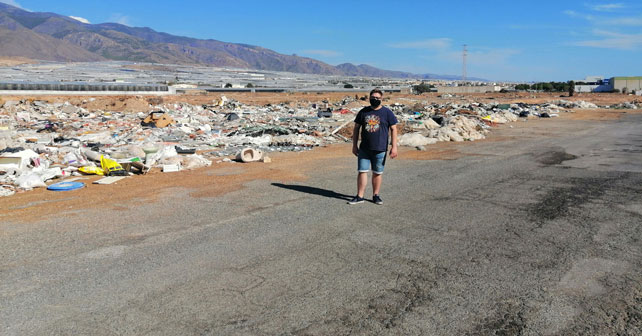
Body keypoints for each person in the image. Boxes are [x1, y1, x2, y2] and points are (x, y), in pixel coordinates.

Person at [348, 88, 398, 205]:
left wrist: (394, 146)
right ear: (369, 98)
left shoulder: (387, 113)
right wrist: (354, 145)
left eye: (377, 98)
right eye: (373, 98)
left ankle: (376, 195)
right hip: (364, 148)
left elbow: (394, 129)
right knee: (362, 171)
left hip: (380, 149)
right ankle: (360, 196)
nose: (375, 100)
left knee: (377, 173)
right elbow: (356, 129)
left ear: (381, 99)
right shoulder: (363, 112)